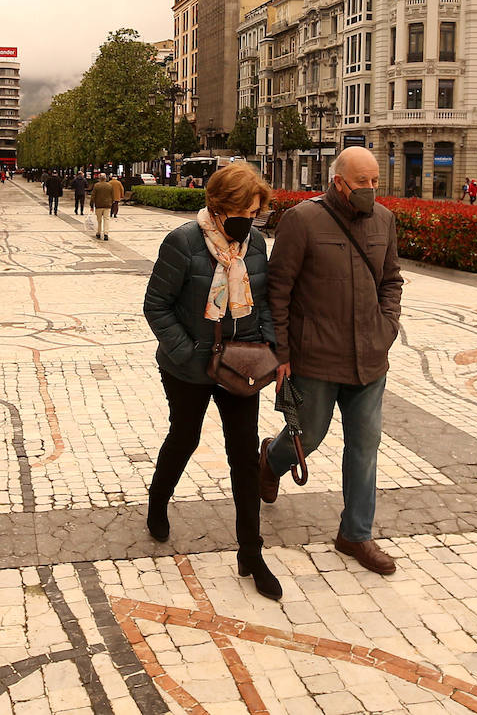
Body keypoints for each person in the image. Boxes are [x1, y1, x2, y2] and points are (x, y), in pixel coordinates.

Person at [258, 146, 404, 576]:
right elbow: (278, 291)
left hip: (370, 360)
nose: (370, 190)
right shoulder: (302, 220)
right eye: (362, 182)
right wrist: (281, 353)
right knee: (311, 434)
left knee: (365, 447)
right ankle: (270, 460)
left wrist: (387, 326)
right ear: (338, 181)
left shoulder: (384, 221)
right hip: (316, 357)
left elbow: (391, 280)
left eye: (376, 181)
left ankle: (355, 534)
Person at [142, 163, 281, 599]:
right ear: (217, 207)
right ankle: (158, 503)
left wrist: (271, 352)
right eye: (241, 211)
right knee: (184, 437)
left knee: (243, 454)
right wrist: (188, 354)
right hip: (188, 367)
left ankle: (251, 552)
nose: (249, 220)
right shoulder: (183, 242)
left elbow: (266, 303)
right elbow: (156, 306)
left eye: (255, 212)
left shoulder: (255, 243)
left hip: (241, 367)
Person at [90, 172, 115, 240]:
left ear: (99, 178)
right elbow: (113, 196)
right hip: (107, 205)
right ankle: (106, 233)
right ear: (105, 178)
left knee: (99, 220)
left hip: (98, 205)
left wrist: (91, 205)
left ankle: (98, 232)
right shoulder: (109, 185)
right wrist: (111, 202)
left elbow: (93, 196)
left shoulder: (96, 185)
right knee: (106, 219)